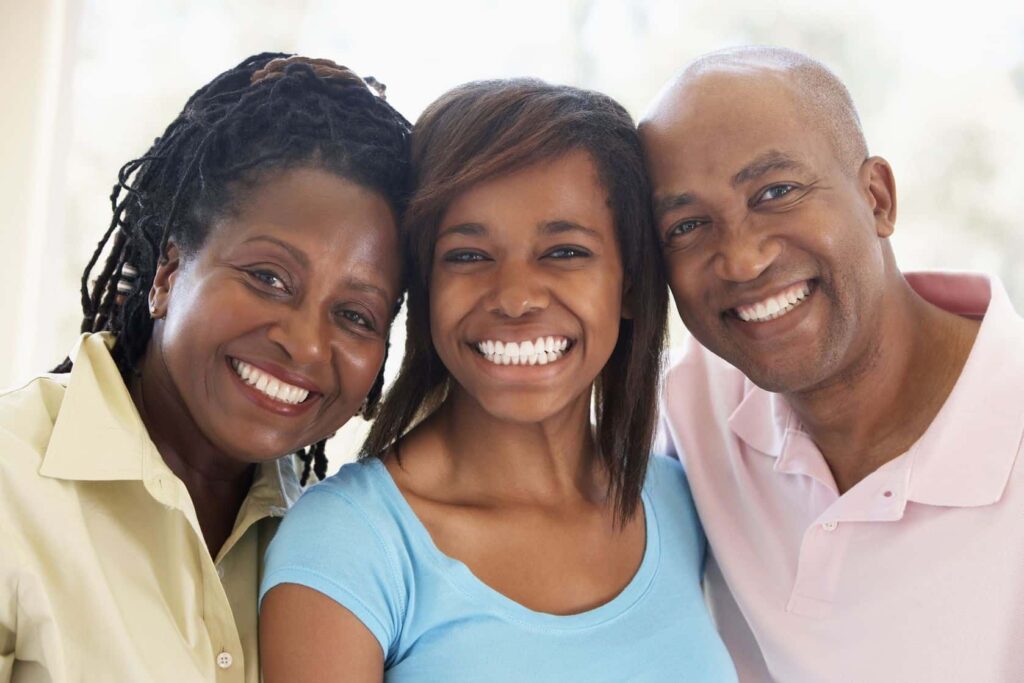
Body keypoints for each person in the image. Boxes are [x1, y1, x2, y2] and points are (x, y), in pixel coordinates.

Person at [259, 79, 737, 681]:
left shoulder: (683, 502)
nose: (514, 298)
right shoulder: (349, 544)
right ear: (426, 287)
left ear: (631, 286)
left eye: (564, 252)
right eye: (467, 255)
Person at [0, 53, 410, 682]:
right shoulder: (13, 486)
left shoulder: (342, 551)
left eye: (356, 315)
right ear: (167, 272)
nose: (304, 345)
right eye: (269, 277)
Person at [640, 46, 1024, 681]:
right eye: (686, 226)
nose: (742, 260)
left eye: (776, 191)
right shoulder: (695, 402)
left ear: (877, 198)